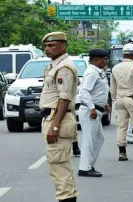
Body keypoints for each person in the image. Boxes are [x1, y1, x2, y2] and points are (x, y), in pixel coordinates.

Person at [39, 32, 79, 202]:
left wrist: (55, 126)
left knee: (59, 166)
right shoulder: (54, 66)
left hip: (58, 120)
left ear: (63, 46)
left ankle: (67, 198)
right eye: (46, 46)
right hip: (52, 118)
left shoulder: (64, 68)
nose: (47, 49)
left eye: (52, 45)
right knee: (57, 166)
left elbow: (65, 99)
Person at [78, 49, 111, 177]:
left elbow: (98, 91)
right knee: (88, 140)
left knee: (99, 138)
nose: (106, 61)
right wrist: (91, 107)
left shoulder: (99, 72)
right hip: (89, 111)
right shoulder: (91, 73)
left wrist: (104, 104)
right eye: (104, 59)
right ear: (97, 60)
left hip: (97, 109)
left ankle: (89, 164)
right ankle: (84, 168)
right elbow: (84, 92)